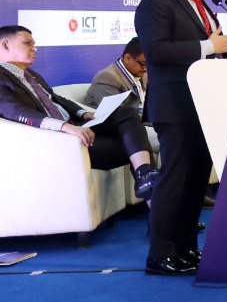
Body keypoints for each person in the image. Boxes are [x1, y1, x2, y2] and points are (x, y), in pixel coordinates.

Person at [134, 0, 227, 276]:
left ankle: (185, 249)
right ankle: (161, 255)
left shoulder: (200, 3)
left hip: (204, 104)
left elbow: (207, 48)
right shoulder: (155, 4)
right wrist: (209, 45)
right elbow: (157, 51)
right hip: (176, 106)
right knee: (175, 181)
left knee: (196, 182)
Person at [0, 24, 158, 188]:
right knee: (135, 144)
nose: (34, 49)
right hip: (57, 138)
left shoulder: (31, 74)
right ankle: (151, 189)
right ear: (5, 45)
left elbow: (55, 98)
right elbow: (13, 110)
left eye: (34, 44)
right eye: (27, 43)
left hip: (76, 125)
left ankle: (145, 176)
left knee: (126, 113)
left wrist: (83, 113)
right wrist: (64, 126)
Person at [85, 37, 147, 113]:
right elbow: (115, 113)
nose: (146, 68)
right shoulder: (107, 77)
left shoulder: (144, 75)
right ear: (127, 58)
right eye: (143, 64)